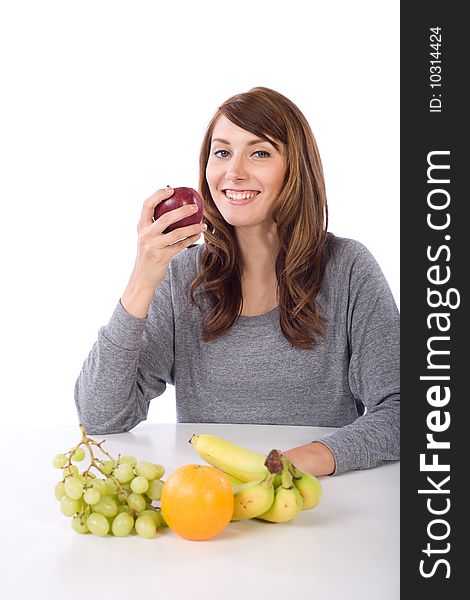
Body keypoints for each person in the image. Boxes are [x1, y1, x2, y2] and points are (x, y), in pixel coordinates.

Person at [74, 86, 400, 477]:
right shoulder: (182, 277)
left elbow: (401, 410)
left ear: (295, 169)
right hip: (211, 505)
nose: (234, 172)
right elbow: (100, 416)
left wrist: (300, 462)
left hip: (321, 505)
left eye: (259, 152)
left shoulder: (348, 269)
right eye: (222, 152)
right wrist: (143, 278)